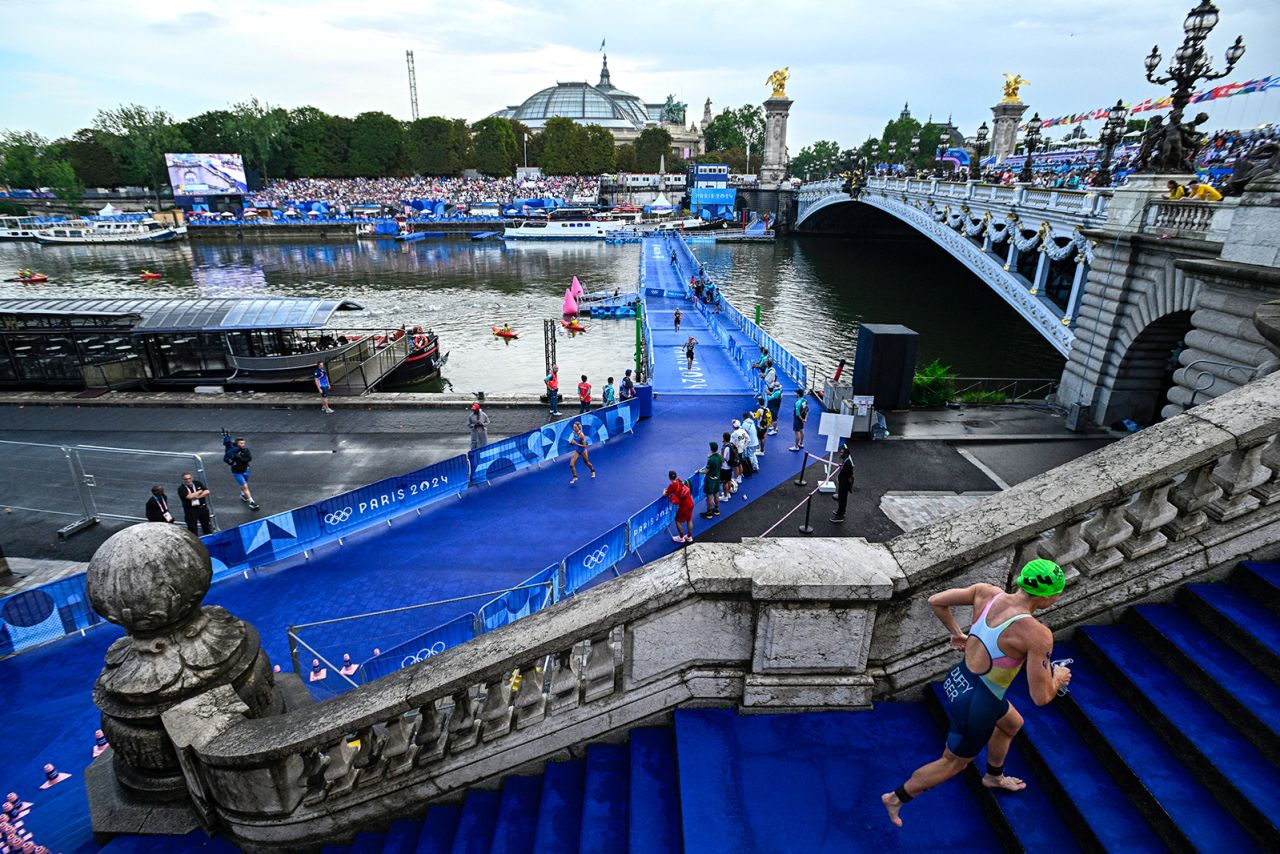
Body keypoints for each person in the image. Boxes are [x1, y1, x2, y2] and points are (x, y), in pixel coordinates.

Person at [882, 560, 1072, 828]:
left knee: (1011, 724)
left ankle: (993, 775)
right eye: (1058, 592)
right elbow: (1041, 697)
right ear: (1048, 596)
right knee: (952, 763)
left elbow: (936, 600)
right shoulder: (1036, 634)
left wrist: (958, 634)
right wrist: (1058, 677)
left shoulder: (986, 592)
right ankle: (896, 797)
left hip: (961, 681)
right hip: (977, 704)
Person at [222, 432, 259, 510]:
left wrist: (239, 458)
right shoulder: (232, 450)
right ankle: (252, 502)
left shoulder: (245, 450)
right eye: (241, 443)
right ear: (237, 443)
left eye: (244, 443)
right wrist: (231, 461)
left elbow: (249, 458)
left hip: (246, 470)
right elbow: (226, 459)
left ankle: (242, 494)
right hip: (237, 472)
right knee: (245, 486)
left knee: (244, 484)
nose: (243, 444)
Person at [663, 470, 695, 543]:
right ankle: (689, 537)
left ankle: (681, 538)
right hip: (691, 503)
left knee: (678, 520)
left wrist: (664, 491)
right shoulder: (679, 481)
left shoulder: (672, 485)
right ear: (676, 476)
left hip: (684, 506)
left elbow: (665, 494)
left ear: (669, 477)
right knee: (689, 520)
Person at [699, 441, 723, 518]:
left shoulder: (711, 460)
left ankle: (709, 512)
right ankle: (716, 510)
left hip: (710, 480)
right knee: (716, 493)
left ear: (711, 449)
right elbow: (720, 463)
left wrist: (699, 471)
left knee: (709, 496)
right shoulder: (719, 456)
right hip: (717, 478)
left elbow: (706, 471)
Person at [831, 445, 854, 523]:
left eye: (842, 453)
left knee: (842, 499)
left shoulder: (848, 464)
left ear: (846, 454)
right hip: (843, 483)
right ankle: (841, 512)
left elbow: (850, 476)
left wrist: (849, 486)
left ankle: (840, 516)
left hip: (844, 485)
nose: (840, 454)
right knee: (841, 498)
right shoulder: (845, 461)